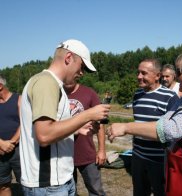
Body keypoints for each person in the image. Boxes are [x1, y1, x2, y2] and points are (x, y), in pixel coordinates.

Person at [108, 50, 182, 195]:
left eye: (179, 72)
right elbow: (163, 121)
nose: (175, 77)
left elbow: (169, 130)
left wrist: (126, 127)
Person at [19, 39, 110, 195]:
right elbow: (44, 134)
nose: (81, 73)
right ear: (68, 58)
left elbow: (52, 129)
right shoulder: (46, 83)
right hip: (48, 184)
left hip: (58, 180)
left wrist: (77, 129)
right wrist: (87, 114)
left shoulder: (51, 84)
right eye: (82, 67)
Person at [127, 59, 179, 196]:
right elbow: (139, 124)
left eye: (144, 73)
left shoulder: (170, 97)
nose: (139, 76)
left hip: (159, 160)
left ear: (157, 76)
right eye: (138, 72)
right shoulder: (137, 95)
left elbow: (171, 132)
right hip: (137, 156)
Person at [64, 82, 106, 196]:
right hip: (63, 155)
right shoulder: (57, 93)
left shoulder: (89, 93)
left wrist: (101, 150)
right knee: (69, 192)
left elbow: (100, 124)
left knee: (96, 191)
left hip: (87, 154)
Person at [0, 75, 21, 196]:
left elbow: (25, 124)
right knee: (3, 185)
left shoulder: (19, 99)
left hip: (19, 150)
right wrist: (1, 144)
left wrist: (10, 144)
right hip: (0, 151)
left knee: (26, 183)